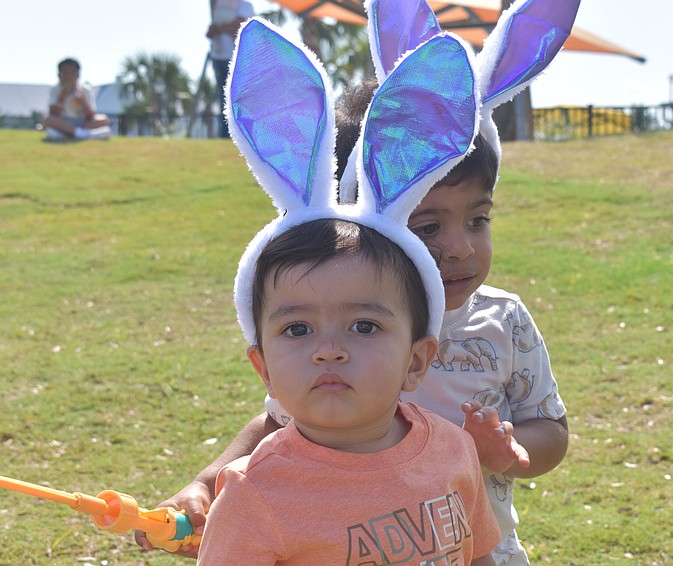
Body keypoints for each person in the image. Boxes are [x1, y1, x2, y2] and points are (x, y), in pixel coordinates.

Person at [138, 81, 569, 566]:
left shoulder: (503, 320)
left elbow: (550, 427)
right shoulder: (332, 330)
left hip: (471, 542)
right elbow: (276, 422)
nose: (462, 247)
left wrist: (507, 451)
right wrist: (206, 482)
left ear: (417, 359)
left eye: (478, 220)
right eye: (427, 227)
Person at [196, 218, 501, 565]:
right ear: (264, 369)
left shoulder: (454, 447)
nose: (328, 349)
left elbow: (477, 556)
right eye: (297, 329)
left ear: (415, 362)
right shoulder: (253, 493)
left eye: (364, 326)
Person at [207, 0, 254, 137]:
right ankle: (226, 135)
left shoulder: (245, 6)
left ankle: (244, 136)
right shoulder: (218, 7)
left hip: (239, 59)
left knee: (240, 100)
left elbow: (238, 27)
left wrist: (220, 28)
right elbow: (212, 30)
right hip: (219, 59)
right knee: (224, 101)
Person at [42, 58, 111, 141]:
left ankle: (73, 133)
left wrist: (83, 102)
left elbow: (91, 115)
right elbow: (53, 113)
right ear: (59, 75)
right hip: (64, 122)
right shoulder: (55, 89)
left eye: (72, 73)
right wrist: (62, 97)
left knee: (104, 119)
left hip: (83, 122)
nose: (68, 76)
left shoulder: (85, 90)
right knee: (48, 119)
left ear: (78, 75)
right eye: (65, 72)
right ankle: (84, 134)